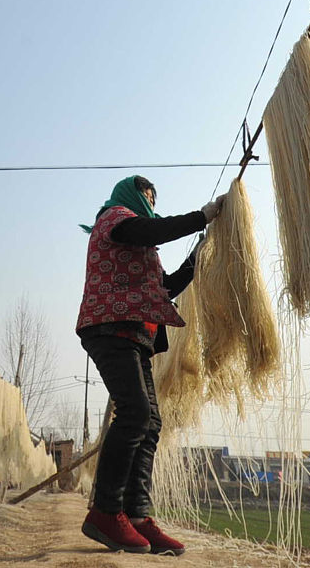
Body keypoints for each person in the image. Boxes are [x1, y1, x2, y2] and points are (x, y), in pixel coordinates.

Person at [76, 175, 224, 556]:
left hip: (135, 336)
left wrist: (200, 254)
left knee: (150, 422)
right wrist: (201, 216)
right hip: (109, 329)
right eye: (147, 198)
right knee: (135, 413)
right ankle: (106, 512)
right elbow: (146, 227)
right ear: (130, 195)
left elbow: (167, 287)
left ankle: (137, 516)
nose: (150, 205)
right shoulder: (114, 218)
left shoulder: (141, 250)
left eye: (154, 201)